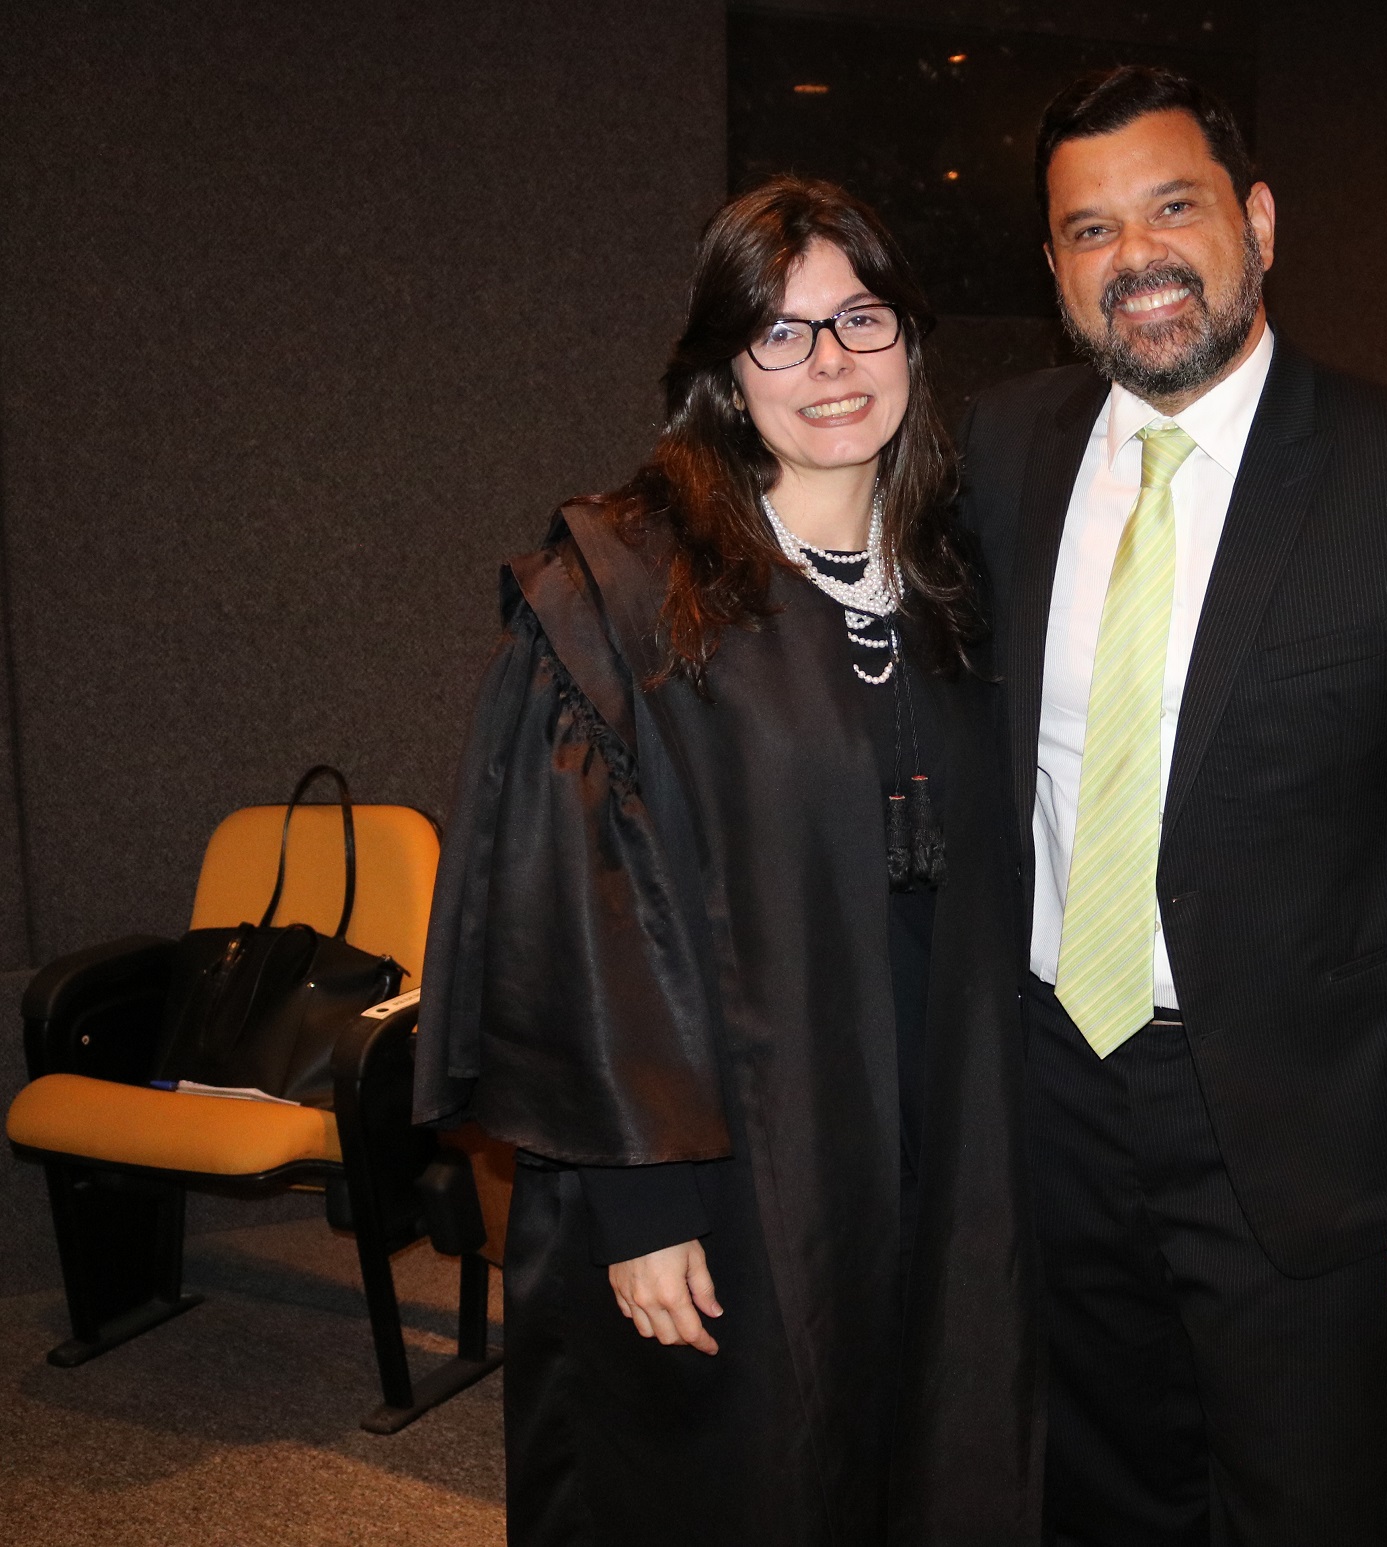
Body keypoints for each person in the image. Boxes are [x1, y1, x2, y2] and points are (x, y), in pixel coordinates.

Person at [954, 67, 1387, 1545]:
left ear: (1261, 222)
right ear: (1055, 269)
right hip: (1051, 1084)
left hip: (1301, 1121)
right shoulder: (1000, 448)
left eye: (1173, 208)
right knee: (1096, 1484)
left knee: (1298, 1501)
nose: (1138, 257)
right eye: (1091, 230)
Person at [414, 177, 1038, 1545]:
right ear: (722, 368)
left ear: (910, 338)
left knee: (928, 1456)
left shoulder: (960, 577)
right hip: (736, 1149)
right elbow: (575, 920)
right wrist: (640, 1201)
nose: (831, 365)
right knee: (747, 1477)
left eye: (861, 319)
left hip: (943, 1135)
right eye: (781, 332)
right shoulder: (631, 594)